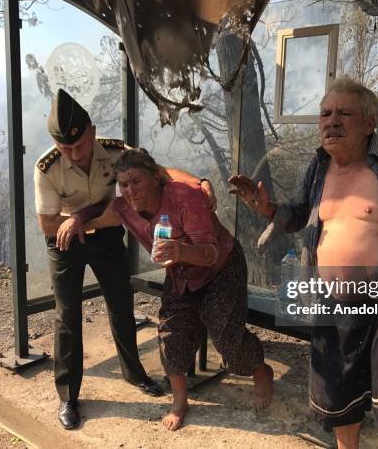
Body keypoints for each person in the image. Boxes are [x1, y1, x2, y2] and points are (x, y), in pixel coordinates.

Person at [228, 77, 378, 449]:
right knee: (342, 415)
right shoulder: (318, 167)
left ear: (369, 122)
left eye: (344, 112)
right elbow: (302, 214)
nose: (331, 120)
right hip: (331, 307)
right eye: (325, 113)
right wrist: (269, 209)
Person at [34, 88, 216, 430]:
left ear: (92, 131)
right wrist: (77, 222)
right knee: (67, 316)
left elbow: (159, 172)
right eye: (64, 148)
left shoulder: (116, 150)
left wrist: (200, 181)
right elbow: (47, 222)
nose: (74, 154)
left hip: (104, 237)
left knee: (120, 304)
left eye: (80, 144)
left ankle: (135, 374)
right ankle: (68, 397)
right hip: (64, 240)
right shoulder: (46, 167)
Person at [88, 148, 274, 431]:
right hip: (182, 274)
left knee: (224, 332)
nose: (130, 190)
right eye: (123, 184)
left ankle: (262, 372)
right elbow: (96, 218)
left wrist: (180, 249)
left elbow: (211, 253)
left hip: (221, 267)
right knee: (170, 332)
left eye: (136, 181)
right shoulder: (124, 208)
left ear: (155, 178)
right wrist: (75, 221)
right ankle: (179, 399)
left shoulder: (185, 198)